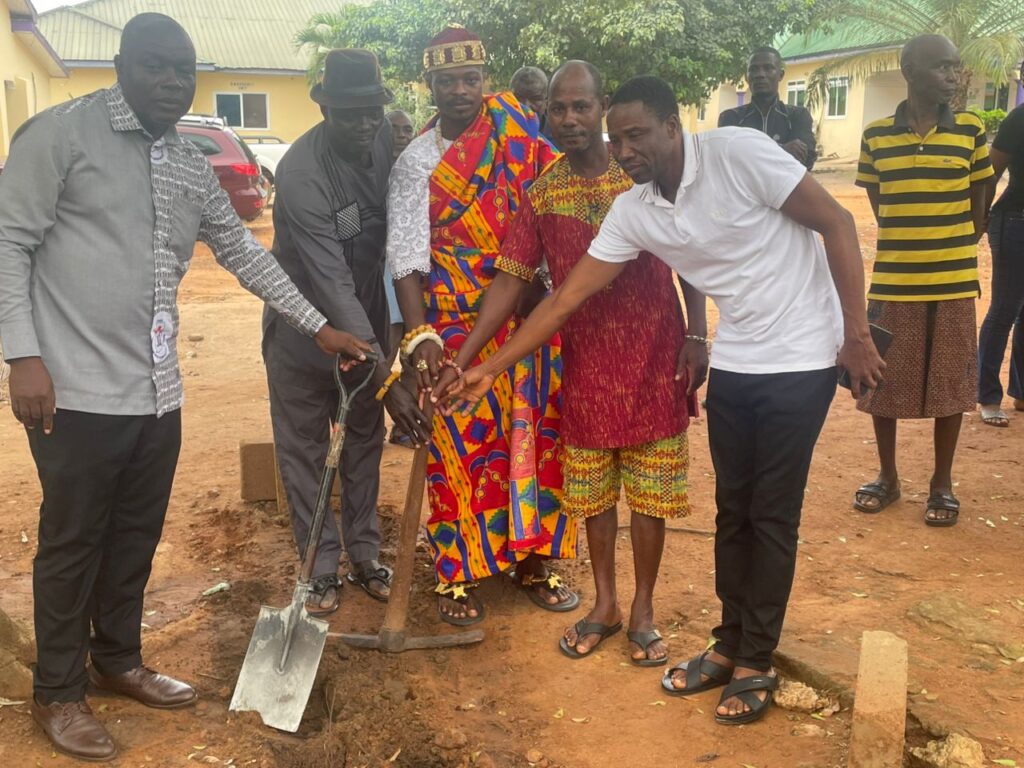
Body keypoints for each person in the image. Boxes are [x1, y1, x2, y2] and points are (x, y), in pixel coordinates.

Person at [451, 75, 884, 724]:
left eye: (636, 135)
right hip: (739, 360)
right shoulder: (636, 210)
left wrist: (855, 334)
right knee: (733, 511)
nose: (623, 150)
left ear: (672, 126)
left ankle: (756, 660)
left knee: (770, 514)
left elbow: (838, 222)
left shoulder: (738, 153)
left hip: (803, 355)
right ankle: (728, 642)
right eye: (617, 139)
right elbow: (567, 298)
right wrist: (492, 366)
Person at [0, 13, 372, 762]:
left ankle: (119, 660)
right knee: (75, 541)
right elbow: (10, 240)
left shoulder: (187, 161)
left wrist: (317, 326)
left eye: (183, 70)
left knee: (135, 534)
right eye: (156, 67)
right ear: (122, 64)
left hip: (157, 391)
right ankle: (58, 692)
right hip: (72, 389)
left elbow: (241, 250)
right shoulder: (60, 137)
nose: (171, 82)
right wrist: (21, 355)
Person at [433, 60, 703, 665]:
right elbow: (511, 280)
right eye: (559, 109)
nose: (571, 119)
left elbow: (693, 252)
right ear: (545, 114)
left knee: (652, 495)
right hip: (581, 364)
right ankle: (605, 605)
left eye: (582, 107)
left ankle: (643, 610)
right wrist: (466, 358)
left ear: (603, 107)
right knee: (593, 493)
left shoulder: (642, 177)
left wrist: (699, 335)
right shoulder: (543, 190)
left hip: (657, 355)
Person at [386, 24, 578, 626]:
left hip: (525, 318)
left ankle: (533, 562)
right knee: (459, 447)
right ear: (431, 86)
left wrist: (545, 287)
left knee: (537, 441)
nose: (461, 90)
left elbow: (556, 213)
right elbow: (406, 257)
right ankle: (456, 571)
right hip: (451, 325)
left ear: (486, 80)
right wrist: (420, 340)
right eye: (447, 81)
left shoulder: (523, 139)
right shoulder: (415, 160)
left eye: (471, 79)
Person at [263, 49, 429, 614]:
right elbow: (329, 281)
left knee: (363, 440)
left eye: (372, 113)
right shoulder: (301, 173)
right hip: (304, 332)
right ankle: (321, 567)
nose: (364, 125)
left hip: (367, 321)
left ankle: (364, 555)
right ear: (325, 109)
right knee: (306, 452)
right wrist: (389, 377)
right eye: (350, 114)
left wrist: (387, 361)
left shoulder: (382, 140)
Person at [853, 35, 995, 525]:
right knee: (882, 383)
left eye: (955, 69)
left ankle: (942, 483)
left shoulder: (971, 132)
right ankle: (888, 477)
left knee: (951, 382)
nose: (953, 78)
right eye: (942, 68)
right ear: (910, 70)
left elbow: (979, 207)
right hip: (894, 282)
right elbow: (881, 205)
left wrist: (950, 247)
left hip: (953, 283)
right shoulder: (875, 137)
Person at [976, 62, 1024, 426]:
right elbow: (988, 173)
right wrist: (982, 218)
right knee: (1005, 308)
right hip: (1015, 223)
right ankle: (987, 396)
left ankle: (1021, 393)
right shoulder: (1018, 119)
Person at [718, 46, 817, 170]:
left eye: (768, 68)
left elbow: (805, 161)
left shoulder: (797, 116)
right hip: (745, 189)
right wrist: (782, 149)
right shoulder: (731, 118)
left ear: (781, 75)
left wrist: (748, 151)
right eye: (754, 69)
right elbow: (727, 160)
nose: (760, 74)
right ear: (747, 76)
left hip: (783, 189)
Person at [383, 108, 418, 448]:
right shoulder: (371, 172)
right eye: (395, 129)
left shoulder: (418, 173)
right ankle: (369, 424)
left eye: (408, 130)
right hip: (379, 284)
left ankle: (405, 426)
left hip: (411, 283)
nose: (402, 136)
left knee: (412, 357)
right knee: (381, 357)